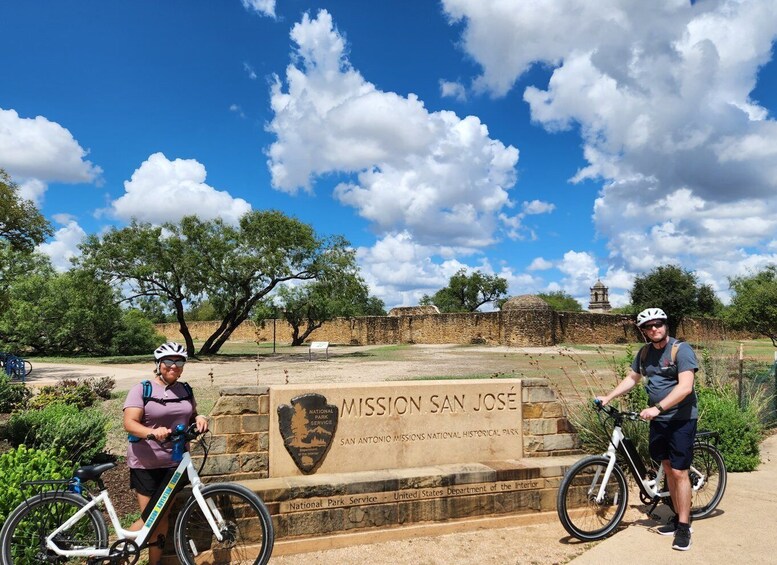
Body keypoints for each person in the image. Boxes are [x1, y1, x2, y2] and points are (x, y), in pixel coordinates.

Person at [596, 307, 698, 551]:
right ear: (643, 331)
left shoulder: (680, 350)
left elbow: (685, 387)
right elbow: (632, 378)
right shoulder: (643, 354)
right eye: (649, 326)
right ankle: (676, 514)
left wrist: (657, 408)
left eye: (658, 324)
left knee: (679, 472)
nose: (655, 329)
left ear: (666, 326)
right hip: (659, 421)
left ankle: (683, 526)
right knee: (666, 466)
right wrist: (608, 397)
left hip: (681, 419)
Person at [123, 342, 208, 565]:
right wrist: (151, 432)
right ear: (159, 364)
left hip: (175, 463)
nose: (174, 366)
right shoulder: (142, 389)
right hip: (146, 463)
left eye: (179, 362)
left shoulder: (185, 390)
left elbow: (191, 414)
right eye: (169, 361)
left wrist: (200, 418)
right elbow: (130, 423)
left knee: (161, 518)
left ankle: (155, 563)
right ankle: (115, 557)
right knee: (150, 518)